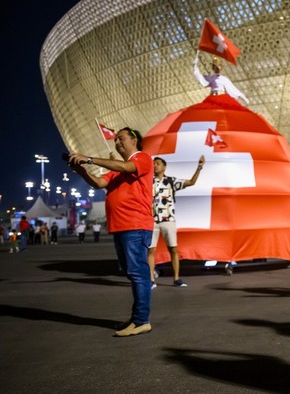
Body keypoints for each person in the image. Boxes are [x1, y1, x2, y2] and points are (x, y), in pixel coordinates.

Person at [67, 127, 155, 337]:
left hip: (135, 225)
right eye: (115, 140)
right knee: (132, 273)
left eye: (121, 138)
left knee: (138, 273)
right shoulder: (117, 170)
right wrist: (82, 171)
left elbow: (128, 167)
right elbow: (99, 183)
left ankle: (142, 320)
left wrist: (89, 159)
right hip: (122, 226)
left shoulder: (142, 158)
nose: (116, 142)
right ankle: (137, 318)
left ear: (134, 140)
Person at [148, 155, 206, 288]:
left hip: (168, 219)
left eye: (157, 163)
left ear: (164, 166)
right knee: (150, 250)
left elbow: (191, 182)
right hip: (151, 220)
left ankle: (177, 278)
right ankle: (151, 280)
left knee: (173, 249)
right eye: (153, 164)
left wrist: (199, 167)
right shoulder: (147, 182)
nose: (155, 165)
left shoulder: (170, 181)